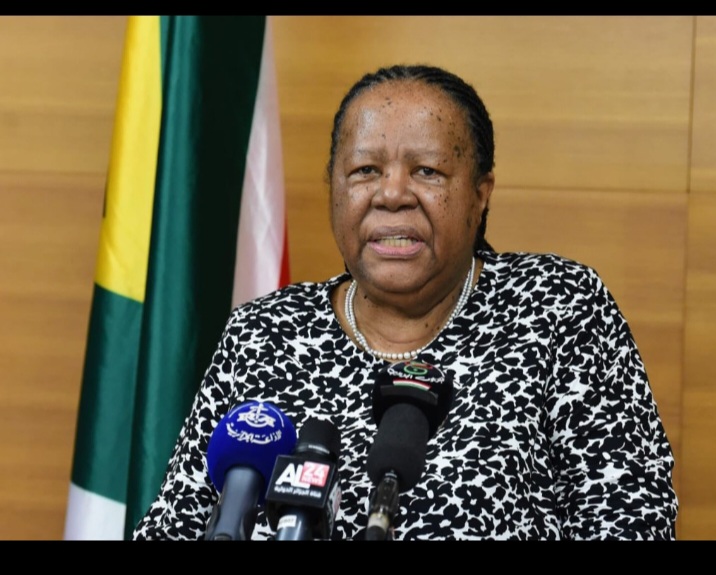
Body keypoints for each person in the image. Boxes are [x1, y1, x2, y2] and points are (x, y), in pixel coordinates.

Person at [132, 63, 678, 540]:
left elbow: (632, 519)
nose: (391, 194)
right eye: (365, 170)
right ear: (334, 187)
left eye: (427, 171)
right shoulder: (263, 335)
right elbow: (175, 526)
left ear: (481, 193)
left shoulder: (557, 309)